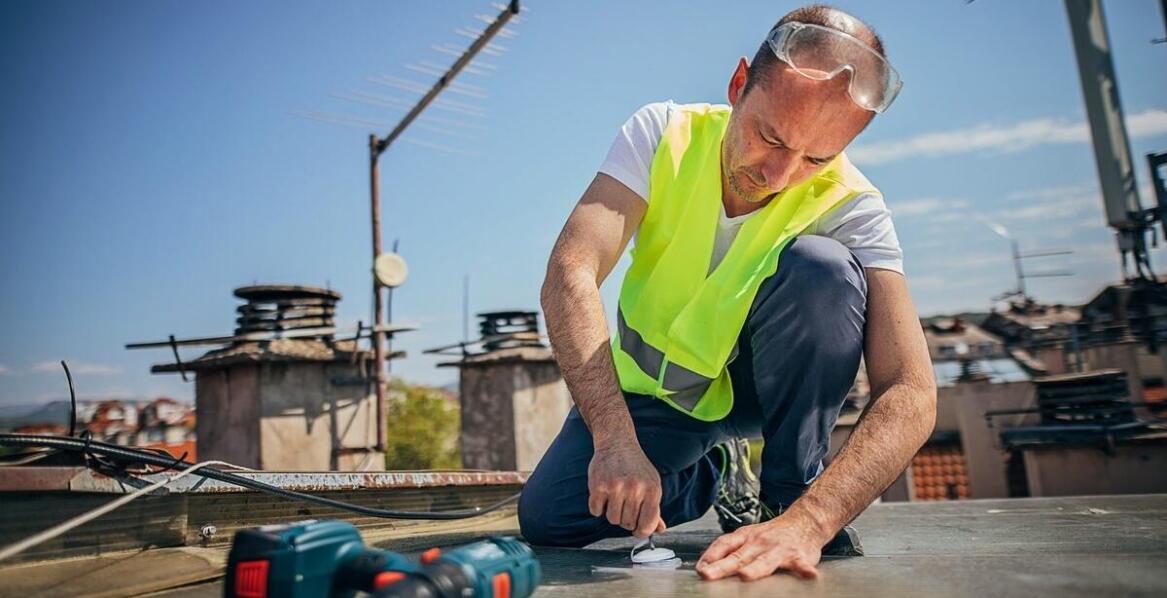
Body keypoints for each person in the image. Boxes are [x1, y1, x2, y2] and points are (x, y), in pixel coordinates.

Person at [518, 4, 936, 582]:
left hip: (762, 390)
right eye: (770, 137)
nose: (779, 175)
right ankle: (712, 472)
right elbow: (571, 271)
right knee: (549, 517)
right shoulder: (663, 133)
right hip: (663, 394)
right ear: (739, 84)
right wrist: (615, 440)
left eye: (817, 158)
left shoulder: (855, 206)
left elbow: (913, 390)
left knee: (823, 268)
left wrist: (811, 522)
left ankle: (785, 496)